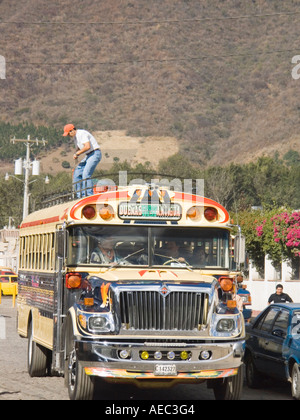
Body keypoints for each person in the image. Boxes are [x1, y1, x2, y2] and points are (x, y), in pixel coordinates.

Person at [63, 124, 102, 197]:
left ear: (72, 130)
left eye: (68, 133)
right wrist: (76, 153)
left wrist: (77, 153)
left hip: (94, 153)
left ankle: (89, 195)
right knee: (77, 173)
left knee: (86, 174)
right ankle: (80, 195)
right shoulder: (75, 137)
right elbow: (78, 147)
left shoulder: (81, 133)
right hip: (88, 155)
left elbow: (87, 146)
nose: (68, 136)